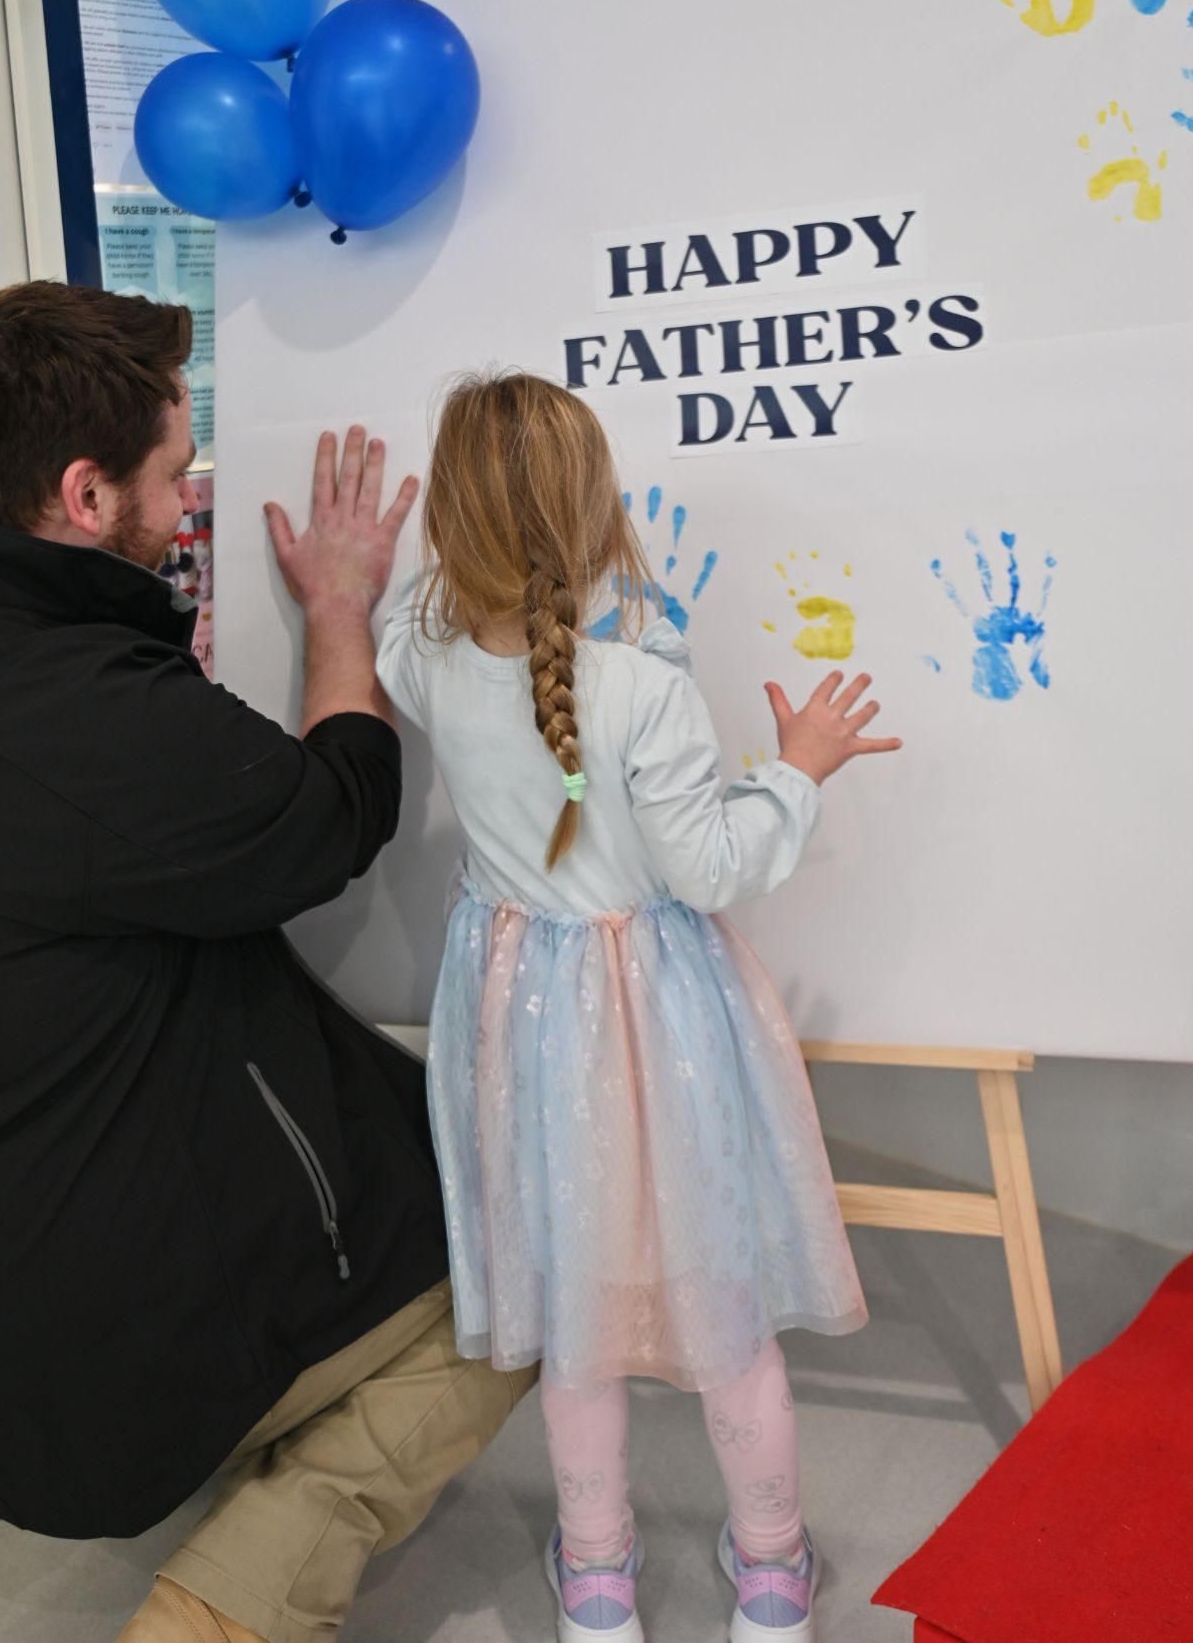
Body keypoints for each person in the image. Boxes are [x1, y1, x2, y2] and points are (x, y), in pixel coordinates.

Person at [0, 283, 533, 1643]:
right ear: (85, 494)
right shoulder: (82, 709)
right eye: (175, 472)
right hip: (73, 1327)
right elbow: (330, 814)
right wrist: (338, 612)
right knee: (515, 1265)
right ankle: (221, 1611)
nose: (187, 500)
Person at [377, 372, 902, 1643]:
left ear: (447, 524)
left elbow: (408, 613)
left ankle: (600, 1577)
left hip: (524, 1029)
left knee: (580, 1321)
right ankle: (771, 1571)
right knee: (723, 1304)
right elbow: (708, 867)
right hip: (663, 1031)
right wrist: (798, 769)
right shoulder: (639, 685)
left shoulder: (422, 657)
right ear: (600, 514)